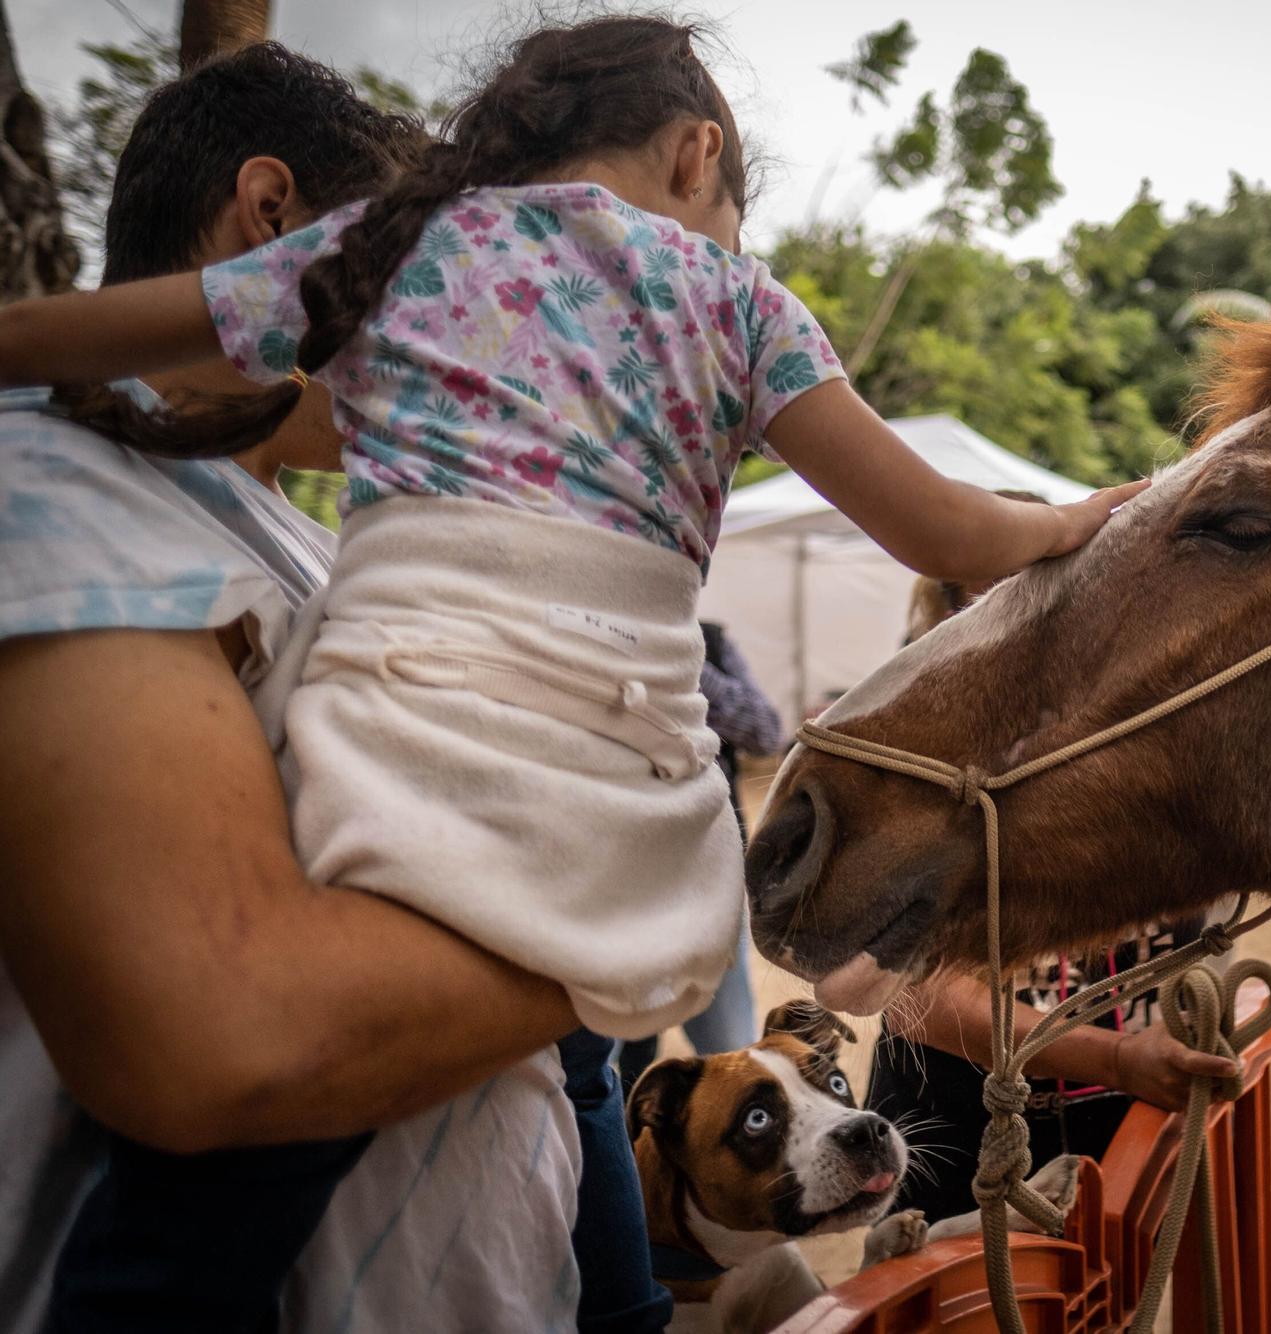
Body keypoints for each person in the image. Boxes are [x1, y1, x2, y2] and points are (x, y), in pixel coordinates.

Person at [0, 16, 1145, 1330]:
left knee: (213, 1237)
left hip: (481, 1214)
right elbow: (945, 531)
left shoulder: (392, 276)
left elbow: (82, 333)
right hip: (614, 817)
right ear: (695, 149)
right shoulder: (61, 498)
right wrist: (1072, 523)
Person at [0, 43, 601, 1334]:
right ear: (271, 216)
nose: (453, 336)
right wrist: (626, 924)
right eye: (418, 278)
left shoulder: (304, 539)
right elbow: (224, 1039)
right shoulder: (44, 493)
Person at [864, 555, 1239, 1222]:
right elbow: (918, 999)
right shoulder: (909, 771)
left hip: (1122, 1131)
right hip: (961, 1137)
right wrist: (1120, 1057)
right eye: (1001, 612)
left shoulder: (1167, 745)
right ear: (952, 623)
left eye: (1056, 609)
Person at [617, 619, 780, 1093]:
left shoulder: (710, 641)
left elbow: (766, 732)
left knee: (733, 1052)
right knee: (608, 1068)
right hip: (614, 883)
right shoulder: (586, 636)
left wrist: (685, 667)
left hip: (707, 877)